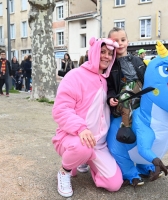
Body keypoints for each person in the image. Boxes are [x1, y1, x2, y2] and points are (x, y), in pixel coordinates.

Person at [52, 37, 122, 198]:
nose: (106, 56)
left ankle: (85, 160)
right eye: (102, 52)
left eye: (110, 53)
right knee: (82, 147)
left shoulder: (106, 80)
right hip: (74, 137)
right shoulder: (74, 76)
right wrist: (81, 128)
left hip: (99, 143)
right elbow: (60, 109)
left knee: (114, 184)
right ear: (94, 52)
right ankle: (65, 171)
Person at [106, 27, 146, 143]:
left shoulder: (137, 61)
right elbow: (110, 87)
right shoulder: (110, 66)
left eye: (123, 40)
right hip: (122, 101)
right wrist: (110, 98)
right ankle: (125, 127)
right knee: (124, 94)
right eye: (116, 41)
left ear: (127, 42)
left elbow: (146, 79)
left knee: (132, 86)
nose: (120, 43)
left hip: (139, 96)